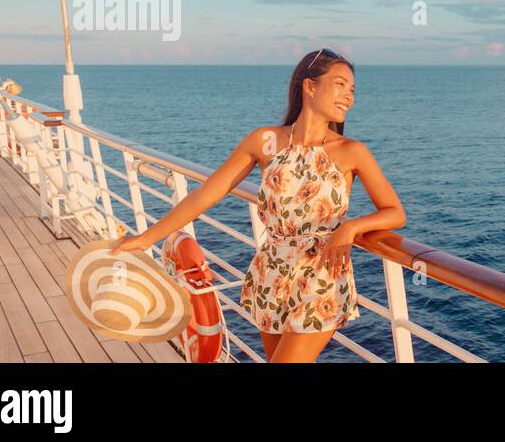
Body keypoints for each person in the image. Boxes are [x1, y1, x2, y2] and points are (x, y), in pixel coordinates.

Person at [110, 48, 406, 362]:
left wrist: (352, 227)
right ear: (310, 86)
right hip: (271, 274)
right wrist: (145, 239)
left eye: (352, 89)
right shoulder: (264, 141)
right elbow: (205, 195)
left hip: (321, 278)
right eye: (340, 84)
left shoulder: (351, 151)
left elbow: (395, 212)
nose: (349, 96)